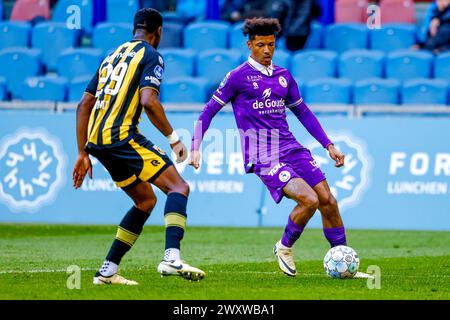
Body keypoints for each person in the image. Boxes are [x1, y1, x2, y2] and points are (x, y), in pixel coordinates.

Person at [189, 18, 349, 277]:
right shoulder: (237, 77)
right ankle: (284, 247)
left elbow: (303, 113)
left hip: (291, 148)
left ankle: (343, 261)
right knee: (309, 200)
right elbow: (208, 112)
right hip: (262, 154)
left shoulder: (283, 76)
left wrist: (328, 145)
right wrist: (196, 146)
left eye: (271, 45)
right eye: (261, 45)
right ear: (249, 44)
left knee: (328, 201)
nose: (266, 50)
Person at [72, 8, 205, 285]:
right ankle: (171, 257)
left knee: (145, 201)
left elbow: (84, 103)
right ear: (159, 32)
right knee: (179, 187)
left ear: (134, 29)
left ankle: (107, 271)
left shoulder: (111, 56)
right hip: (122, 137)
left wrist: (82, 152)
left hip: (97, 142)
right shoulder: (152, 55)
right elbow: (149, 101)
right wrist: (174, 139)